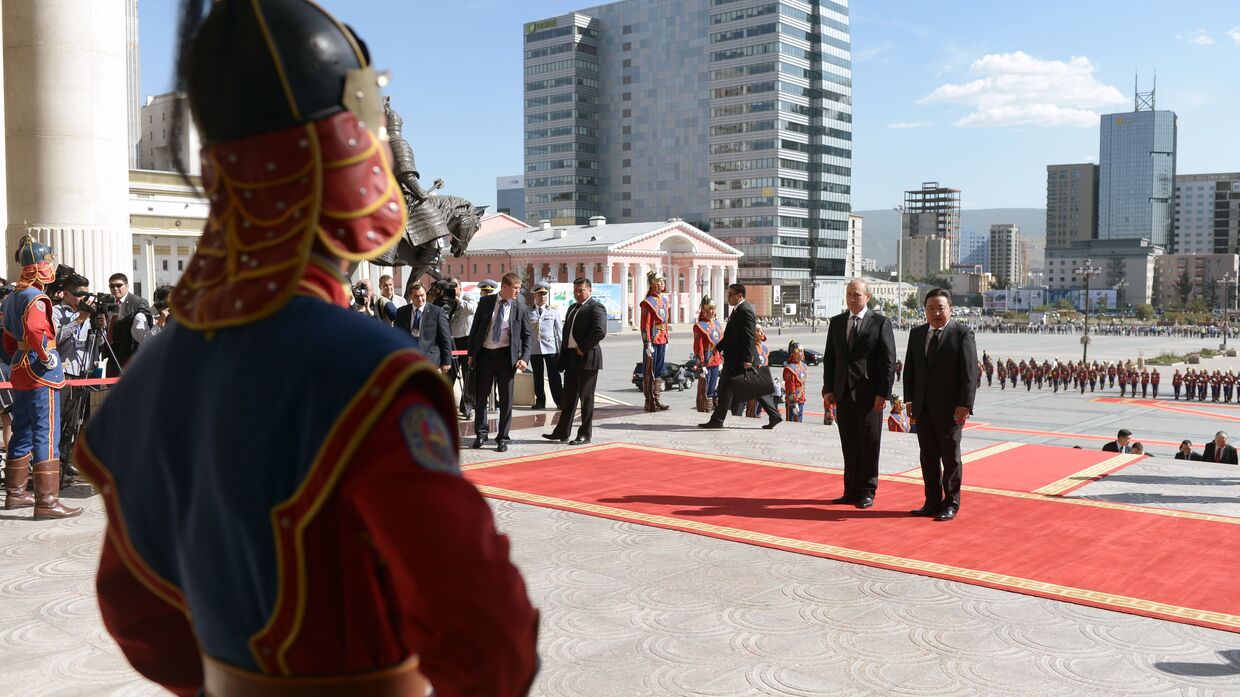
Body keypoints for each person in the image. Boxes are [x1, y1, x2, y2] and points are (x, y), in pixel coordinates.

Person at [75, 3, 538, 693]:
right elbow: (487, 636)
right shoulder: (367, 371)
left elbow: (135, 609)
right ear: (347, 149)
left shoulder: (154, 369)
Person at [2, 236, 79, 519]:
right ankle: (47, 502)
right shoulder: (36, 297)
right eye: (47, 262)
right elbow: (35, 331)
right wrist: (45, 357)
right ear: (38, 267)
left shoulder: (12, 296)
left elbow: (9, 336)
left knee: (21, 427)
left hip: (20, 367)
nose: (50, 267)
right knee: (47, 431)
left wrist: (19, 353)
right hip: (39, 368)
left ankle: (16, 493)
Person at [903, 288, 978, 522]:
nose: (936, 312)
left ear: (950, 310)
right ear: (925, 311)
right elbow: (910, 371)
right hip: (923, 408)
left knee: (950, 458)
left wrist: (965, 404)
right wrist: (910, 401)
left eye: (940, 308)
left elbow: (969, 372)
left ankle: (951, 503)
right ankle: (932, 502)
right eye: (931, 308)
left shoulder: (962, 334)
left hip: (951, 411)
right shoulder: (917, 334)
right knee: (928, 457)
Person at [822, 279, 896, 509]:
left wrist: (883, 393)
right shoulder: (836, 323)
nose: (853, 298)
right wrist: (828, 389)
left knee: (869, 444)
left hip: (869, 395)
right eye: (849, 294)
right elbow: (830, 359)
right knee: (849, 444)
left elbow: (888, 361)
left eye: (857, 294)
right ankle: (850, 489)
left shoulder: (880, 323)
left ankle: (867, 490)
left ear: (868, 296)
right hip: (843, 393)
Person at [698, 283, 781, 430]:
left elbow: (749, 336)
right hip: (734, 359)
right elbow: (731, 335)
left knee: (754, 387)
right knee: (725, 389)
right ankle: (717, 419)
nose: (728, 297)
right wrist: (718, 347)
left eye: (730, 294)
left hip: (741, 360)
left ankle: (774, 415)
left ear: (739, 296)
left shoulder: (746, 311)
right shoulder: (737, 310)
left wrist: (748, 359)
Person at [468, 273, 531, 453]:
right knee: (481, 398)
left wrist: (524, 358)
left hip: (506, 358)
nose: (517, 292)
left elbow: (527, 336)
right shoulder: (486, 303)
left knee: (506, 400)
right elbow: (475, 329)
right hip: (485, 355)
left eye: (519, 289)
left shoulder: (520, 307)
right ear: (504, 287)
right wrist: (471, 354)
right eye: (515, 288)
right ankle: (481, 433)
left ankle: (502, 437)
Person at [542, 278, 606, 445]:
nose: (578, 293)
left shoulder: (596, 307)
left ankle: (585, 434)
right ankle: (562, 432)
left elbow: (600, 332)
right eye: (576, 290)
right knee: (568, 397)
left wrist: (582, 348)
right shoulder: (572, 307)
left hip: (587, 358)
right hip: (571, 359)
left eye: (581, 290)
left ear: (589, 290)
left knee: (586, 398)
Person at [53, 273, 99, 489]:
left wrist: (99, 324)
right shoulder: (55, 311)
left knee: (76, 421)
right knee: (61, 421)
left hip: (82, 373)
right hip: (64, 373)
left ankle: (67, 460)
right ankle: (56, 466)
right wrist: (78, 319)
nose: (82, 298)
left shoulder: (87, 314)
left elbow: (95, 341)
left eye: (85, 293)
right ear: (68, 294)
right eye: (79, 294)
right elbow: (55, 339)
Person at [439, 276, 479, 419]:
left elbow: (472, 309)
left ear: (460, 287)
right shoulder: (446, 299)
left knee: (468, 375)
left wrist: (457, 299)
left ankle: (467, 406)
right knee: (449, 375)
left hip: (467, 341)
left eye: (455, 286)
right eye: (450, 286)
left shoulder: (468, 297)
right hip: (452, 341)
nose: (452, 289)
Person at [394, 282, 452, 374]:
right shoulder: (401, 312)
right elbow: (396, 337)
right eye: (416, 296)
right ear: (410, 296)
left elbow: (446, 338)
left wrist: (447, 361)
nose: (420, 299)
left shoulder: (437, 312)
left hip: (431, 362)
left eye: (422, 295)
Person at [103, 272, 151, 376]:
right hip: (111, 356)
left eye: (118, 285)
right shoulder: (107, 303)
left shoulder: (138, 302)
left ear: (127, 285)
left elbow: (145, 329)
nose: (115, 288)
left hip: (131, 356)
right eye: (112, 286)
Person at [526, 282, 563, 410]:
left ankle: (560, 401)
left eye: (544, 294)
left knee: (554, 376)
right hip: (535, 348)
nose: (542, 297)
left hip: (551, 348)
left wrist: (561, 350)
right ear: (535, 295)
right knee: (538, 376)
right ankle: (540, 401)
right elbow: (525, 332)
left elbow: (559, 332)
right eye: (540, 294)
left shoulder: (553, 311)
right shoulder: (528, 312)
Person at [639, 270, 671, 412]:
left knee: (658, 371)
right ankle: (649, 402)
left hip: (662, 338)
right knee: (649, 370)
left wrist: (667, 339)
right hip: (653, 340)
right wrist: (647, 343)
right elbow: (645, 325)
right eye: (659, 281)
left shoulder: (663, 300)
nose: (662, 283)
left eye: (662, 280)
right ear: (652, 284)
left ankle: (657, 399)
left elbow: (665, 322)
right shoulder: (647, 302)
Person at [692, 297, 723, 413]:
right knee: (704, 389)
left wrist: (721, 359)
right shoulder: (699, 326)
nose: (713, 311)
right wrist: (701, 365)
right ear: (704, 310)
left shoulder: (717, 324)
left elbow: (721, 342)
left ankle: (708, 410)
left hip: (715, 360)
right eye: (711, 308)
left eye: (714, 308)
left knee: (712, 388)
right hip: (706, 362)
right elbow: (698, 347)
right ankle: (702, 410)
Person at [781, 343, 807, 423]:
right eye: (799, 351)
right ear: (793, 354)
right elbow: (790, 387)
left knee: (799, 421)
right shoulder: (790, 368)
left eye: (802, 351)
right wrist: (793, 402)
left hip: (801, 398)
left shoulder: (804, 366)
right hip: (793, 401)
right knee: (791, 422)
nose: (802, 353)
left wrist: (802, 397)